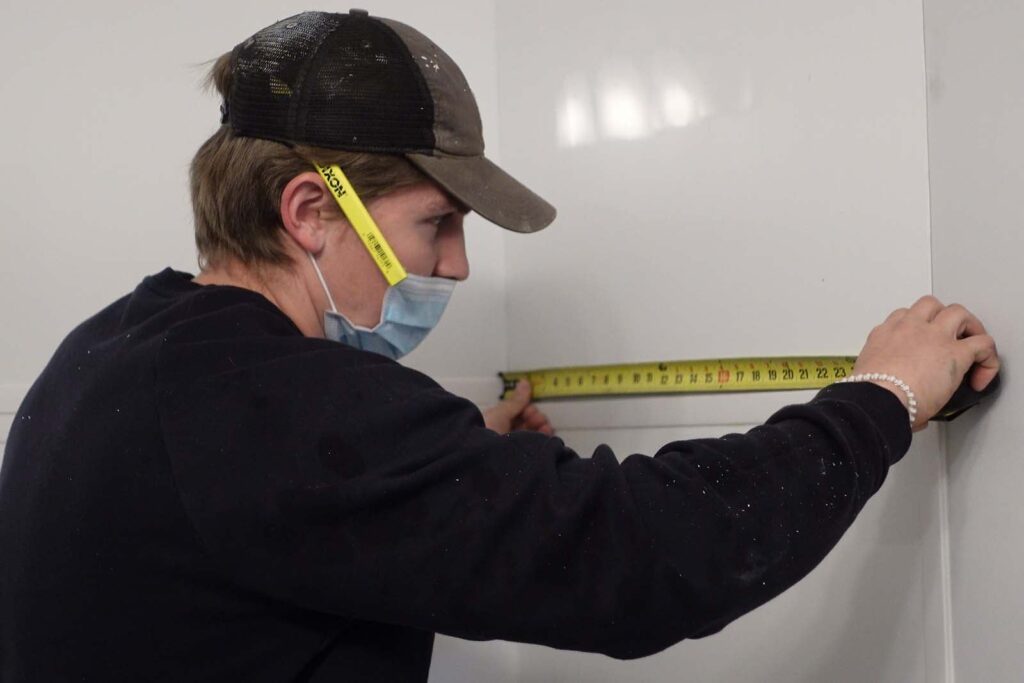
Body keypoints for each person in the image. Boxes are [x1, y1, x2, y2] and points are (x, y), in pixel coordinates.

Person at [0, 9, 999, 682]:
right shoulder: (273, 407)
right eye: (437, 222)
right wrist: (880, 396)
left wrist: (452, 465)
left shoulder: (114, 351)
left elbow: (264, 512)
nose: (460, 265)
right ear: (311, 210)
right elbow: (646, 553)